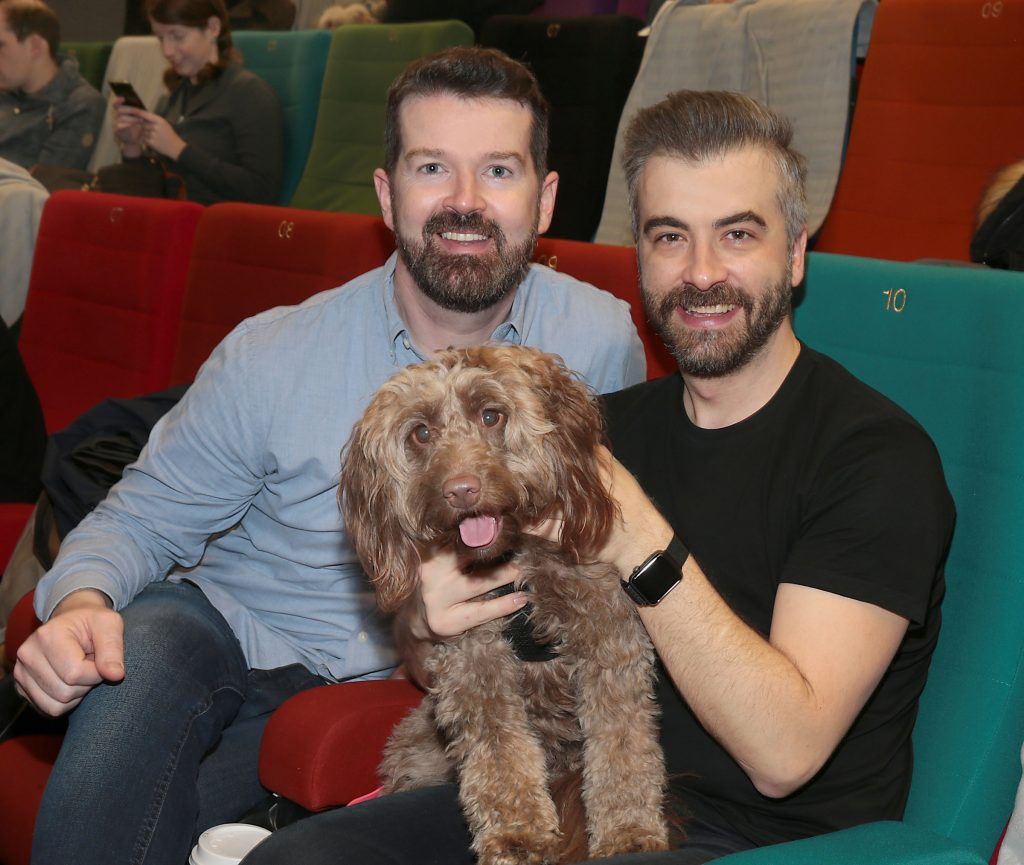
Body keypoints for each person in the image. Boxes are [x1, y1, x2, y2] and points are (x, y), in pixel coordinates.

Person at [239, 90, 954, 865]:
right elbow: (472, 647)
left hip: (753, 842)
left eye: (738, 234)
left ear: (795, 251)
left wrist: (640, 539)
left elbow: (784, 755)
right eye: (670, 236)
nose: (703, 272)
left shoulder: (875, 457)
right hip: (557, 793)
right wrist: (423, 620)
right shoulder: (591, 432)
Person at [13, 46, 646, 865]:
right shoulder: (274, 350)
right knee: (142, 656)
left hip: (418, 682)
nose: (463, 201)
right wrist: (77, 604)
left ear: (546, 197)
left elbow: (604, 546)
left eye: (497, 170)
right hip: (234, 628)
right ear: (387, 194)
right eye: (430, 168)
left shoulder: (596, 343)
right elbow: (141, 516)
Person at [112, 0, 283, 205]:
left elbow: (262, 191)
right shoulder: (171, 100)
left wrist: (180, 150)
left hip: (218, 226)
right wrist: (132, 146)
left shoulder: (249, 94)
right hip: (171, 222)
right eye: (160, 38)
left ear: (213, 28)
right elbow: (148, 195)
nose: (167, 50)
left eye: (177, 36)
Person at [0, 0, 104, 171]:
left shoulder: (80, 105)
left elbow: (43, 187)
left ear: (35, 46)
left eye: (0, 46)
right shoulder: (7, 90)